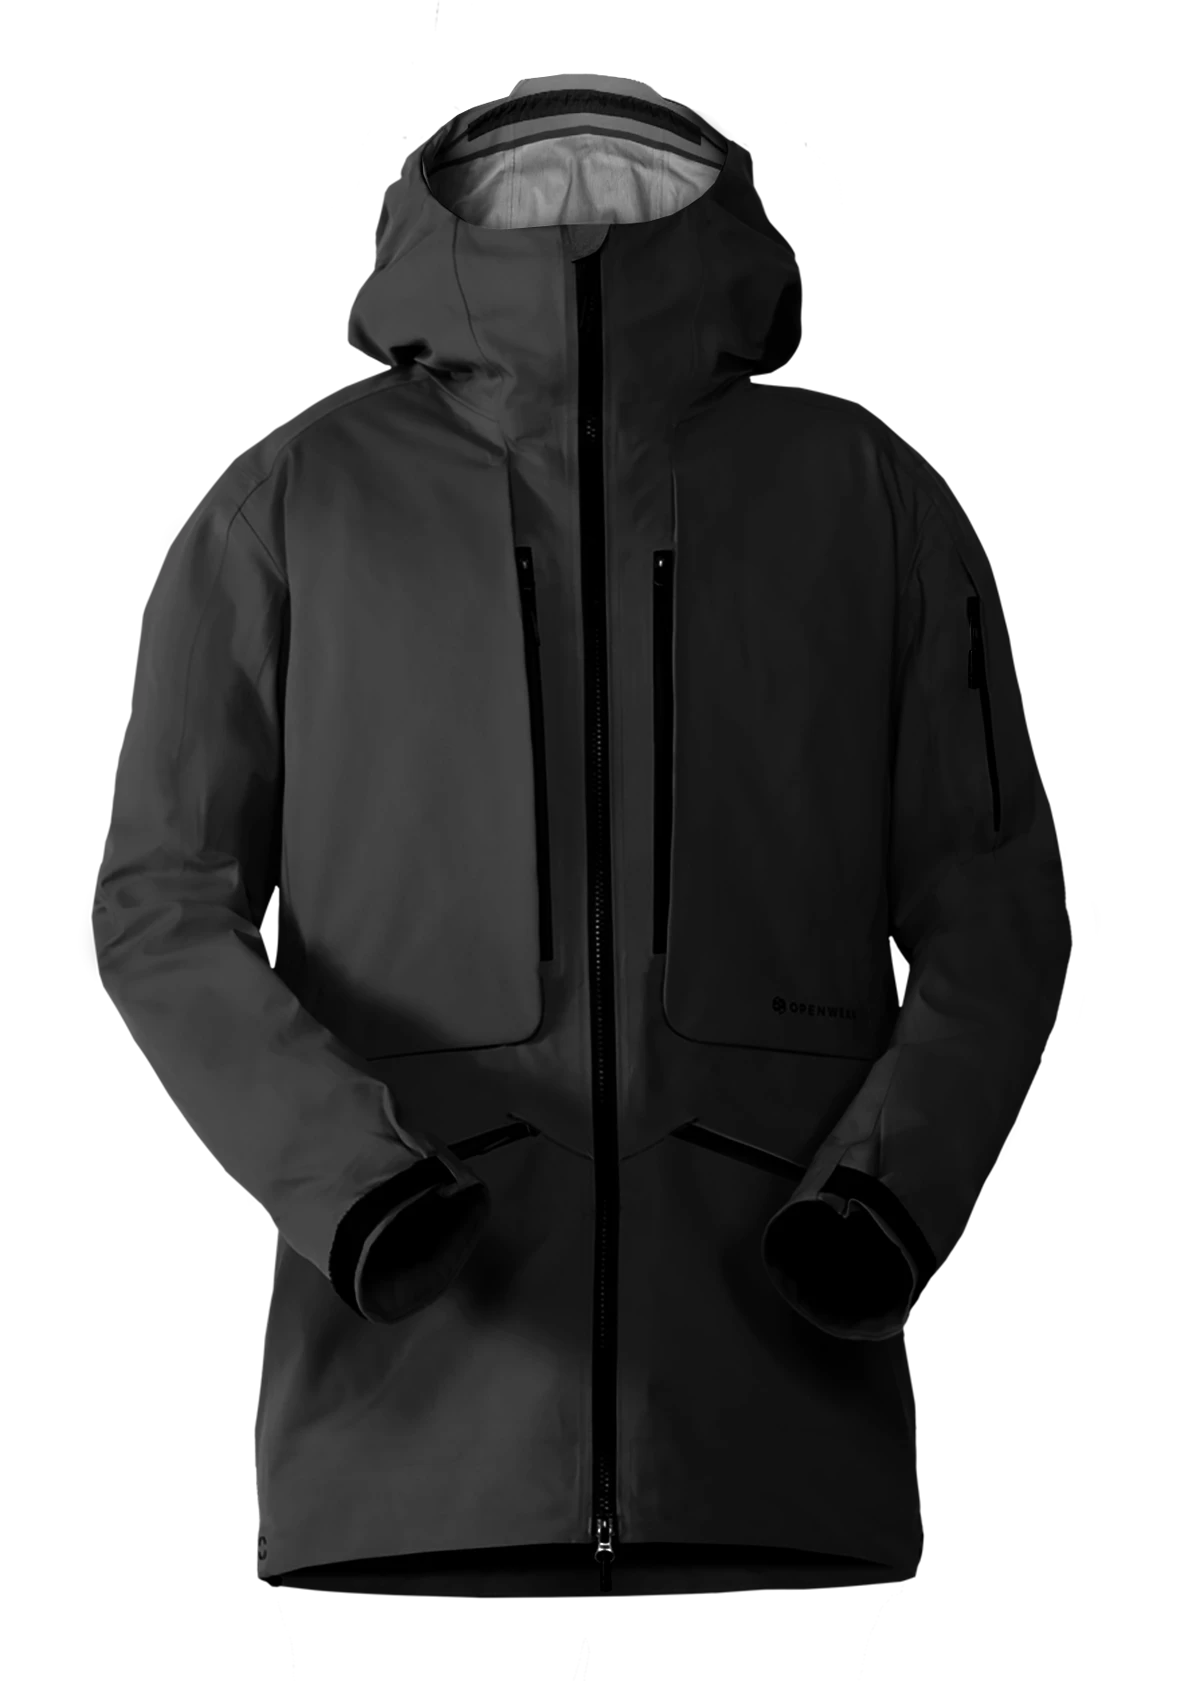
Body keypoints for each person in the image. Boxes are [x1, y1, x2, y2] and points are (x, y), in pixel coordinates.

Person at [91, 71, 1071, 1602]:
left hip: (776, 1435)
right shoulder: (297, 502)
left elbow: (994, 893)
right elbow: (162, 902)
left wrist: (889, 1198)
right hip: (406, 1444)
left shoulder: (864, 492)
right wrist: (354, 1186)